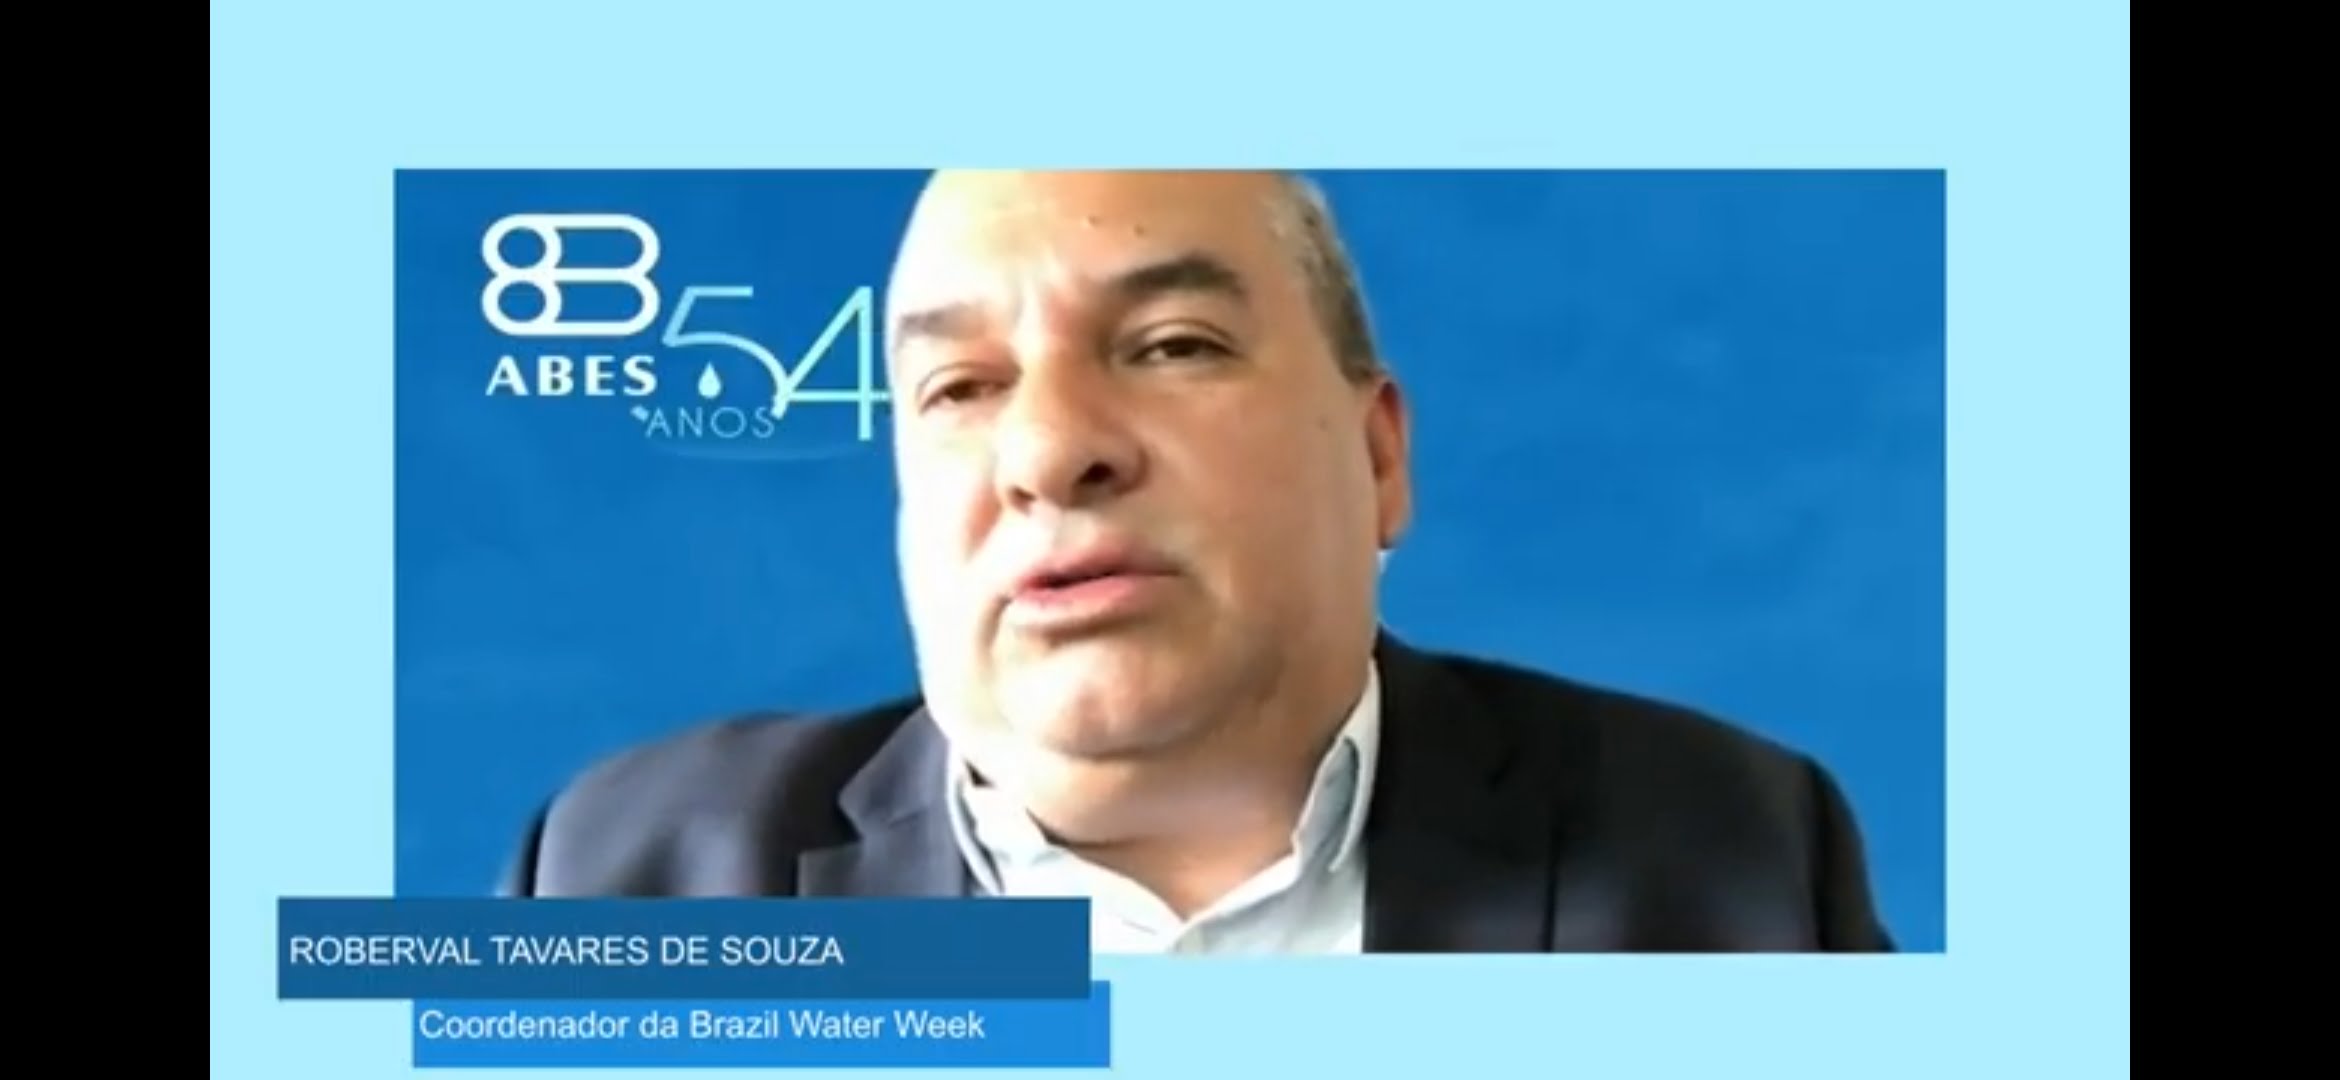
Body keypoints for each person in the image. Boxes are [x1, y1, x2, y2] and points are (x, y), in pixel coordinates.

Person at [499, 169, 1897, 954]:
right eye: (959, 388)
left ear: (1378, 458)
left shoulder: (1732, 858)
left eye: (1172, 347)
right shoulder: (628, 877)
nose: (1050, 451)